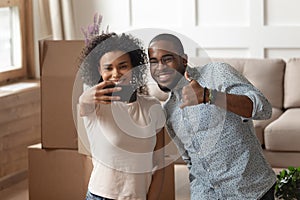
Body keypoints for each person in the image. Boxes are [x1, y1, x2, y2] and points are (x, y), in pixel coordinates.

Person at [147, 33, 276, 200]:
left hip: (252, 192)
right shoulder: (168, 111)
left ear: (184, 60)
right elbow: (191, 161)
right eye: (154, 61)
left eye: (167, 59)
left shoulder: (216, 73)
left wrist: (209, 96)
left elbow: (263, 109)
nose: (160, 67)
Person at [78, 29, 166, 200]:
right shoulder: (94, 106)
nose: (116, 73)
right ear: (99, 70)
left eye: (123, 66)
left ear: (134, 67)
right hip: (100, 196)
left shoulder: (152, 106)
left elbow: (159, 164)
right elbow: (83, 102)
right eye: (108, 68)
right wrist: (86, 96)